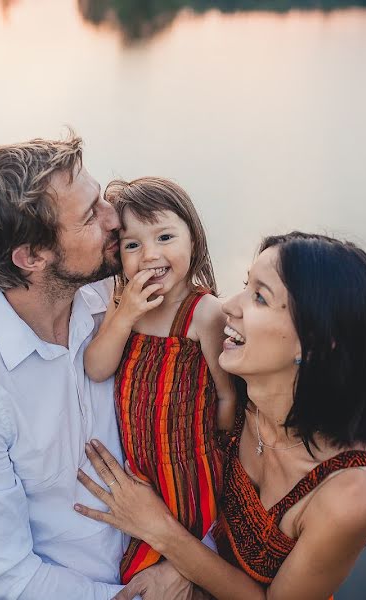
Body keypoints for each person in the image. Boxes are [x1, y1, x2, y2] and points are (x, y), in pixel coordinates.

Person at [0, 135, 198, 599]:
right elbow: (7, 579)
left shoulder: (122, 296)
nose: (115, 219)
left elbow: (210, 427)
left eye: (102, 198)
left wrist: (184, 560)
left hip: (171, 560)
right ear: (31, 256)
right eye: (90, 215)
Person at [75, 232, 366, 599]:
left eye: (259, 296)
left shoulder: (351, 491)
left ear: (318, 340)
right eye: (245, 285)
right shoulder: (231, 391)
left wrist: (162, 532)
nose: (229, 306)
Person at [83, 177, 236, 583]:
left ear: (193, 239)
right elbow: (97, 367)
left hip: (190, 468)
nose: (150, 255)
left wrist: (218, 454)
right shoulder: (123, 305)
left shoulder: (205, 313)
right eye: (133, 245)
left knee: (176, 554)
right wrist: (125, 315)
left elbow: (227, 397)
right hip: (140, 469)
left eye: (165, 236)